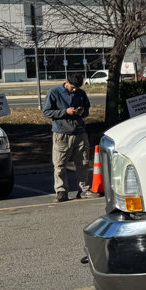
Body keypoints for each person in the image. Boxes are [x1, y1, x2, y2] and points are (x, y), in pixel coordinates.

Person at [42, 73, 97, 201]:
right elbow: (46, 112)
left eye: (76, 88)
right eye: (72, 87)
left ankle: (83, 189)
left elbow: (87, 109)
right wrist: (65, 112)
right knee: (60, 164)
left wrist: (82, 112)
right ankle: (61, 191)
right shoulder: (54, 93)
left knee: (83, 162)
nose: (74, 90)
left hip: (79, 131)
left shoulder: (81, 93)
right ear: (66, 82)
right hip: (62, 133)